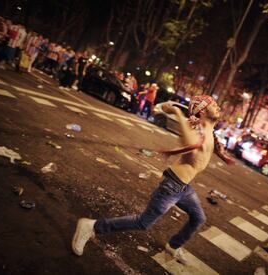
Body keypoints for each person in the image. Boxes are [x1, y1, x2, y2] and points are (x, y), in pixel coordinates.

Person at [72, 95, 235, 264]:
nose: (218, 106)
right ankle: (91, 226)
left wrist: (221, 154)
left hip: (184, 188)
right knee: (143, 223)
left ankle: (174, 245)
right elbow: (190, 142)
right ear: (201, 111)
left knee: (198, 218)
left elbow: (209, 144)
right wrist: (178, 113)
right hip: (172, 186)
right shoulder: (194, 128)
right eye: (213, 104)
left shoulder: (209, 128)